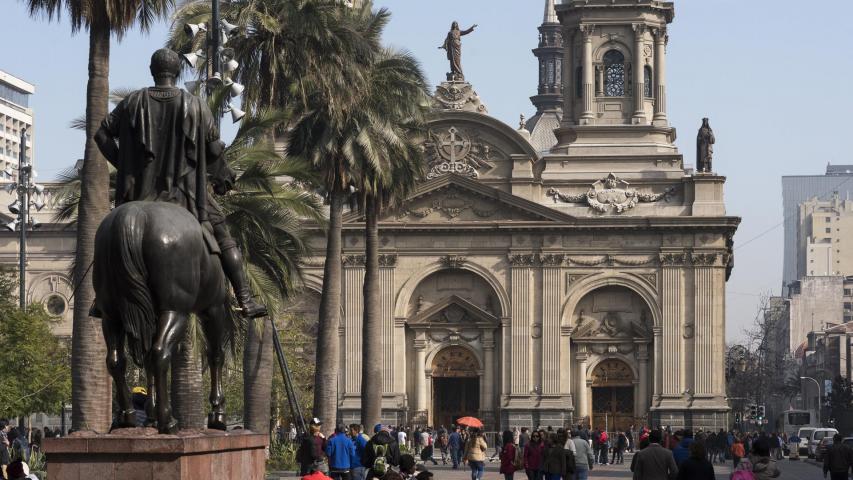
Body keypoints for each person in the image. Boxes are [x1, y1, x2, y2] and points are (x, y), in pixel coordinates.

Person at [92, 47, 266, 319]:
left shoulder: (132, 101)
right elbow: (213, 149)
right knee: (224, 238)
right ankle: (245, 299)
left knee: (113, 235)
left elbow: (101, 135)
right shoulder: (195, 105)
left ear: (152, 71)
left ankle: (101, 298)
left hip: (138, 194)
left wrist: (126, 167)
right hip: (185, 195)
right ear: (177, 73)